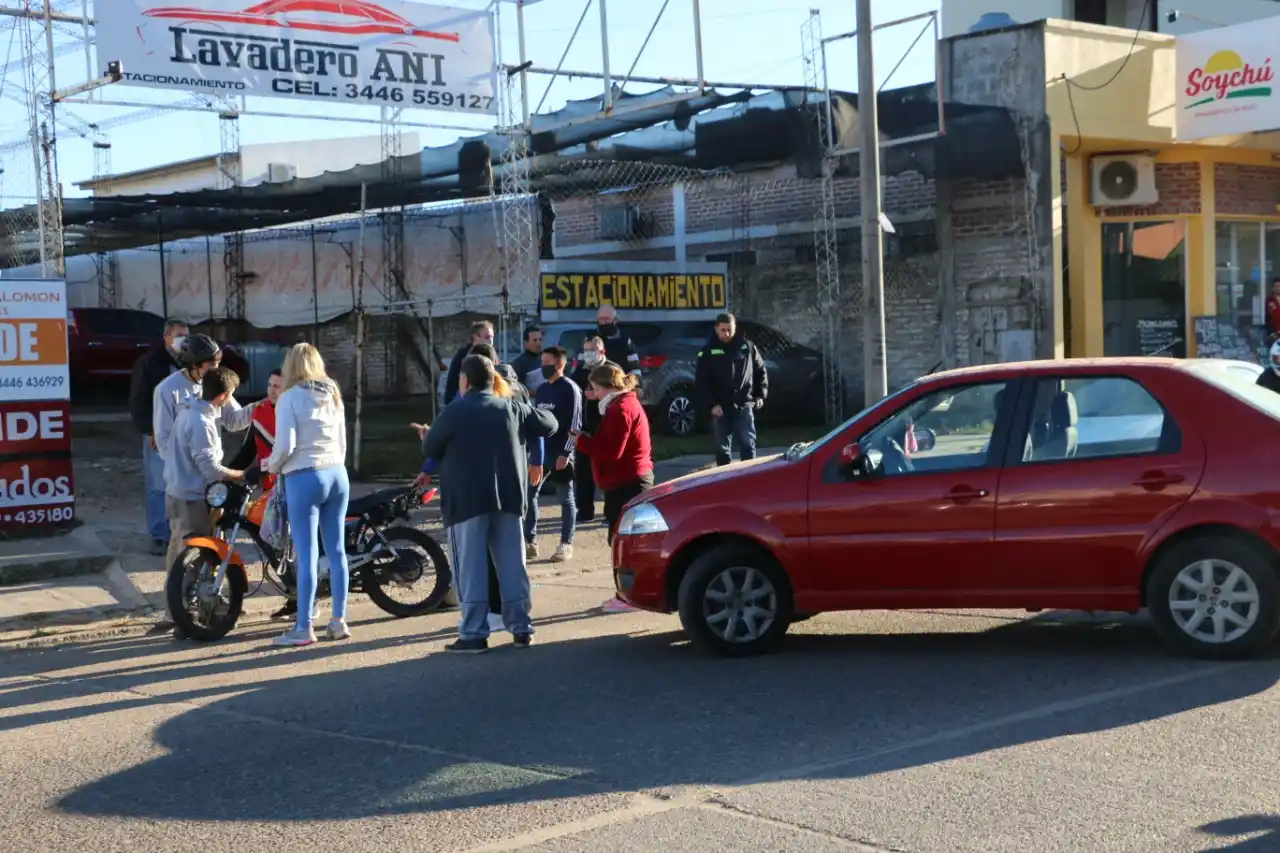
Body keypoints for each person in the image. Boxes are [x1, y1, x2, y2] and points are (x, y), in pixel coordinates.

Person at [420, 354, 557, 653]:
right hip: (508, 497)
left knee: (469, 566)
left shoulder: (455, 412)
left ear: (465, 380)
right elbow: (549, 424)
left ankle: (473, 633)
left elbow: (431, 446)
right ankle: (521, 627)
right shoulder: (510, 407)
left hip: (467, 500)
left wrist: (429, 434)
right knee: (512, 564)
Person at [153, 333, 258, 632]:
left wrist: (263, 406)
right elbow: (163, 440)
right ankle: (178, 612)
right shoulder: (168, 391)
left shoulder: (211, 385)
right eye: (211, 364)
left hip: (209, 487)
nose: (215, 369)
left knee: (210, 546)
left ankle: (212, 603)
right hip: (186, 485)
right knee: (183, 550)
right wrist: (184, 468)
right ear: (193, 365)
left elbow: (234, 419)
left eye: (218, 363)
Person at [266, 343, 352, 648]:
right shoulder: (333, 393)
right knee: (338, 551)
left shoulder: (288, 398)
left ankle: (304, 627)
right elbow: (342, 440)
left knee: (307, 554)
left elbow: (285, 445)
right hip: (336, 473)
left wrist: (271, 465)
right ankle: (339, 620)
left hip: (305, 476)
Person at [164, 367, 246, 636]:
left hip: (178, 492)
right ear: (222, 395)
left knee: (182, 555)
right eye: (231, 395)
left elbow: (236, 421)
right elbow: (211, 469)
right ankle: (187, 617)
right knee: (193, 560)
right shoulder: (200, 423)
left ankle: (190, 613)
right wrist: (242, 474)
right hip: (190, 498)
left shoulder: (191, 408)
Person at [570, 362, 654, 613]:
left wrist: (582, 442)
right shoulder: (622, 404)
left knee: (624, 542)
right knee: (622, 540)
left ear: (607, 388)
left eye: (595, 388)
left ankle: (629, 595)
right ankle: (628, 593)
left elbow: (611, 451)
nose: (593, 394)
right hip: (626, 480)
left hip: (627, 482)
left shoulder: (620, 409)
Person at [129, 318, 188, 556]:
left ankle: (184, 531)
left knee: (186, 483)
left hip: (187, 432)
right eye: (179, 335)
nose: (183, 340)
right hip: (159, 433)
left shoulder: (190, 361)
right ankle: (159, 535)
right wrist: (149, 430)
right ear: (166, 337)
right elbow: (139, 400)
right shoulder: (150, 363)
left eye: (186, 335)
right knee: (158, 484)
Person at [525, 345, 582, 563]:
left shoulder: (570, 389)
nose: (543, 367)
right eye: (542, 363)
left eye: (548, 363)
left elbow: (576, 423)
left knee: (565, 497)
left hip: (561, 453)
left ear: (560, 364)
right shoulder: (543, 389)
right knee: (530, 494)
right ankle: (530, 541)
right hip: (541, 452)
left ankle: (566, 543)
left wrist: (566, 453)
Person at [695, 312, 769, 466]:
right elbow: (702, 382)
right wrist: (711, 405)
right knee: (722, 451)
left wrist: (760, 394)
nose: (727, 333)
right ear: (716, 329)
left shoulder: (747, 347)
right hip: (720, 407)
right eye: (723, 330)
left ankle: (749, 479)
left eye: (730, 329)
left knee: (748, 446)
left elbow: (760, 371)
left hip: (744, 404)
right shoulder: (707, 352)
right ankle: (724, 483)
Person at [567, 336, 609, 523]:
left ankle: (611, 513)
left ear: (601, 351)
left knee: (608, 474)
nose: (588, 355)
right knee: (583, 474)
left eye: (592, 350)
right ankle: (585, 511)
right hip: (584, 429)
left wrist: (598, 395)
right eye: (585, 351)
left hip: (605, 429)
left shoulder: (611, 370)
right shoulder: (580, 371)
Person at [443, 320, 495, 404]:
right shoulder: (462, 356)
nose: (491, 341)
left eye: (492, 337)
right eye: (487, 337)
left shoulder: (493, 355)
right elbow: (452, 384)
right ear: (475, 337)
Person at [595, 303, 641, 380]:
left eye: (607, 319)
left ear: (615, 320)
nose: (604, 322)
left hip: (620, 384)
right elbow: (581, 368)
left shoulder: (625, 341)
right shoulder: (591, 340)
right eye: (601, 319)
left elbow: (634, 368)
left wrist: (635, 385)